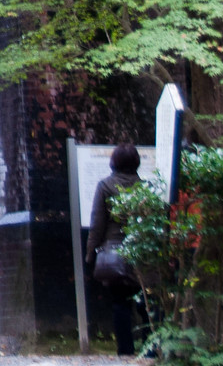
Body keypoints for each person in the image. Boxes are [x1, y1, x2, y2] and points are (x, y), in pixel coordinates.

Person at [86, 142, 144, 356]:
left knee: (121, 304)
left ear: (114, 162)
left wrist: (90, 251)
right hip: (142, 252)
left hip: (114, 254)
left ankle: (126, 352)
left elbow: (97, 223)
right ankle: (150, 349)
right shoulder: (145, 187)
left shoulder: (105, 186)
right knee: (145, 304)